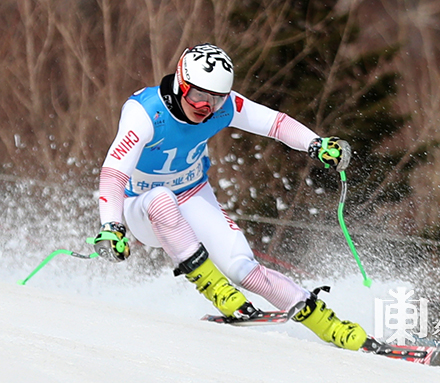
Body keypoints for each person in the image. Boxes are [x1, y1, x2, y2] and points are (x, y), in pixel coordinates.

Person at [92, 43, 368, 351]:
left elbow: (275, 123)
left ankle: (329, 325)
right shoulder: (144, 112)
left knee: (243, 268)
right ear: (181, 83)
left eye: (216, 98)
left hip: (193, 194)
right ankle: (218, 291)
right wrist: (111, 226)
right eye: (199, 96)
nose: (206, 107)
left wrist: (316, 144)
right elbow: (113, 172)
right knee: (161, 200)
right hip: (140, 208)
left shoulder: (223, 107)